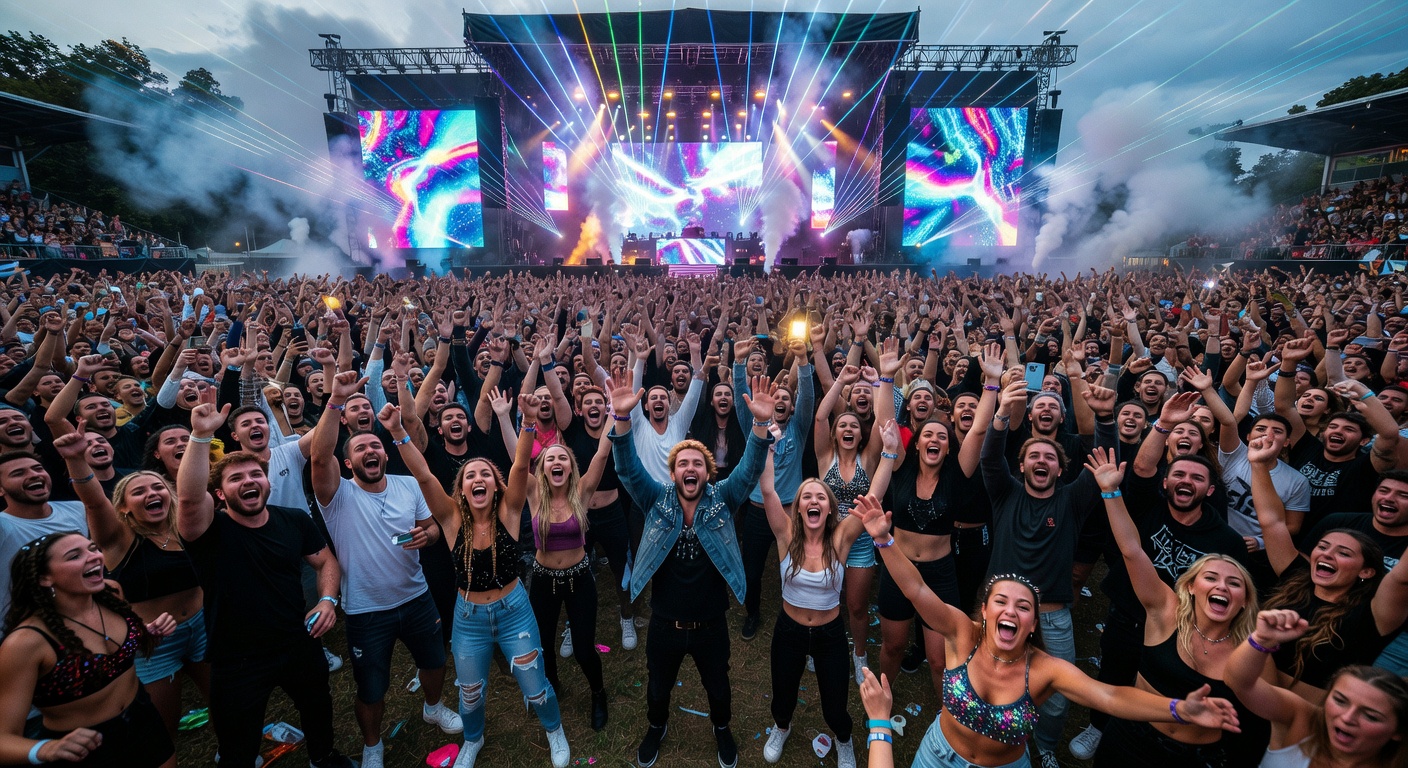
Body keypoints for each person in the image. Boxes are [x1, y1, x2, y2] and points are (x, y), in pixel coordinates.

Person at [856, 494, 1243, 768]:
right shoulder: (962, 633)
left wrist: (1177, 708)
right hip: (935, 758)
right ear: (986, 612)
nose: (1011, 610)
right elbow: (916, 588)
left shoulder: (1044, 669)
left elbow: (1108, 696)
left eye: (1023, 607)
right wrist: (884, 539)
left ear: (1032, 625)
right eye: (1002, 602)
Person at [174, 396, 353, 768]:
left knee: (318, 706)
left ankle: (322, 757)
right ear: (220, 495)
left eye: (255, 475)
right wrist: (200, 436)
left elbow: (325, 562)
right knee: (238, 739)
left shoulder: (293, 520)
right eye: (236, 478)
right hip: (236, 655)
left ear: (267, 483)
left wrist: (327, 601)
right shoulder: (209, 531)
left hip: (296, 640)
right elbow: (190, 499)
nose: (249, 481)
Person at [610, 373, 776, 768]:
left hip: (711, 623)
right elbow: (629, 469)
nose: (690, 468)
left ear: (707, 473)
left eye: (697, 463)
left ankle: (722, 729)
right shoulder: (656, 499)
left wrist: (760, 424)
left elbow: (750, 470)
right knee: (657, 687)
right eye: (682, 463)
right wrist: (620, 418)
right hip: (665, 623)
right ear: (672, 474)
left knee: (718, 687)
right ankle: (656, 726)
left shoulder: (722, 499)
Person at [400, 386, 570, 768]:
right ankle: (472, 741)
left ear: (496, 486)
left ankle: (554, 730)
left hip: (514, 612)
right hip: (468, 619)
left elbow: (521, 466)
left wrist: (526, 422)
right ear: (461, 489)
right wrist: (399, 434)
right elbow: (425, 476)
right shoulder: (450, 519)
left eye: (486, 475)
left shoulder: (509, 513)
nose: (478, 479)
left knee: (535, 686)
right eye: (469, 475)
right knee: (471, 692)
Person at [1084, 446, 1269, 767]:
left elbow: (1273, 713)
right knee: (1115, 670)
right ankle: (1096, 727)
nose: (1222, 586)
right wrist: (1110, 491)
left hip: (1196, 756)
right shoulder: (1165, 607)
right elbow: (1131, 550)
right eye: (1211, 576)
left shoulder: (1250, 649)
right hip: (1131, 736)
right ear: (1190, 586)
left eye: (1233, 582)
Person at [309, 381, 461, 768]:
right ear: (348, 463)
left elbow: (431, 529)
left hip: (415, 598)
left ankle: (433, 706)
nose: (370, 450)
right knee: (372, 687)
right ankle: (373, 745)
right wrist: (337, 400)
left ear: (386, 454)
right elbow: (318, 456)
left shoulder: (408, 485)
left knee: (435, 662)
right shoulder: (337, 495)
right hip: (366, 609)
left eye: (375, 445)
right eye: (360, 448)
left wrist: (424, 535)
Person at [979, 378, 1117, 767]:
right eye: (1034, 456)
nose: (1041, 461)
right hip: (999, 613)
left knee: (1057, 701)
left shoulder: (1073, 500)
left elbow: (1104, 459)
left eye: (1050, 458)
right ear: (1021, 465)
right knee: (992, 683)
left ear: (1061, 469)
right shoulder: (1005, 492)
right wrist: (1003, 412)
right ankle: (992, 738)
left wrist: (1105, 417)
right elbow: (990, 458)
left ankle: (1045, 745)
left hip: (1053, 616)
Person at [55, 427, 209, 742]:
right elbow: (95, 502)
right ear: (123, 507)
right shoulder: (117, 540)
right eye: (138, 492)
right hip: (153, 643)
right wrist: (75, 460)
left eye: (157, 488)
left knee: (225, 699)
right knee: (160, 727)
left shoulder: (187, 528)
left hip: (204, 627)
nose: (152, 494)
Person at [758, 421, 896, 768]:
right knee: (783, 694)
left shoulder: (841, 540)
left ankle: (843, 739)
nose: (814, 500)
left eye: (821, 496)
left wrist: (890, 453)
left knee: (835, 703)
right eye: (807, 496)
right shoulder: (785, 535)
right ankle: (781, 727)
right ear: (800, 508)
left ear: (831, 509)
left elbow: (873, 496)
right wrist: (768, 449)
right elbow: (769, 491)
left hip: (830, 635)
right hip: (788, 632)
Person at [1249, 434, 1408, 698]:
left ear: (1367, 571)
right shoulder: (1297, 578)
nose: (1327, 555)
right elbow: (1272, 522)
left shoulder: (1373, 614)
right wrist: (1258, 465)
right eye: (1323, 547)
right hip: (1246, 695)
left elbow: (1401, 578)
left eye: (1343, 553)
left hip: (1307, 720)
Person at [0, 531, 176, 767]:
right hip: (83, 749)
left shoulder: (111, 593)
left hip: (144, 719)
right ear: (44, 578)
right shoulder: (26, 642)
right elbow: (3, 738)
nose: (94, 557)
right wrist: (46, 748)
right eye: (74, 556)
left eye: (93, 548)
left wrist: (147, 634)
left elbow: (119, 657)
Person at [1225, 609, 1408, 768]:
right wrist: (1261, 640)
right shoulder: (1304, 720)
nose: (1347, 718)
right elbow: (1240, 682)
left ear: (1398, 731)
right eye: (1340, 700)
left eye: (1370, 716)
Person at [526, 434, 614, 730]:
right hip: (543, 581)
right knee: (543, 646)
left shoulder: (582, 490)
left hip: (579, 579)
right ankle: (552, 688)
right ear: (542, 468)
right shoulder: (534, 492)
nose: (556, 461)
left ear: (571, 466)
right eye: (550, 458)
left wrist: (616, 414)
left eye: (563, 457)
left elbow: (602, 454)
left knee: (583, 649)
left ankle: (598, 693)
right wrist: (507, 417)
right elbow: (516, 458)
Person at [732, 333, 816, 641]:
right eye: (776, 397)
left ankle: (797, 617)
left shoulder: (799, 426)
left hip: (791, 511)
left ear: (791, 408)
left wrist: (804, 361)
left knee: (795, 570)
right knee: (752, 572)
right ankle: (752, 613)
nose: (780, 400)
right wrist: (738, 363)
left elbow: (807, 398)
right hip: (756, 513)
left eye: (786, 399)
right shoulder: (755, 428)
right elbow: (742, 401)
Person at [0, 452, 89, 634]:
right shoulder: (3, 525)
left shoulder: (77, 509)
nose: (34, 475)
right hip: (22, 633)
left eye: (38, 468)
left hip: (84, 626)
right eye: (18, 473)